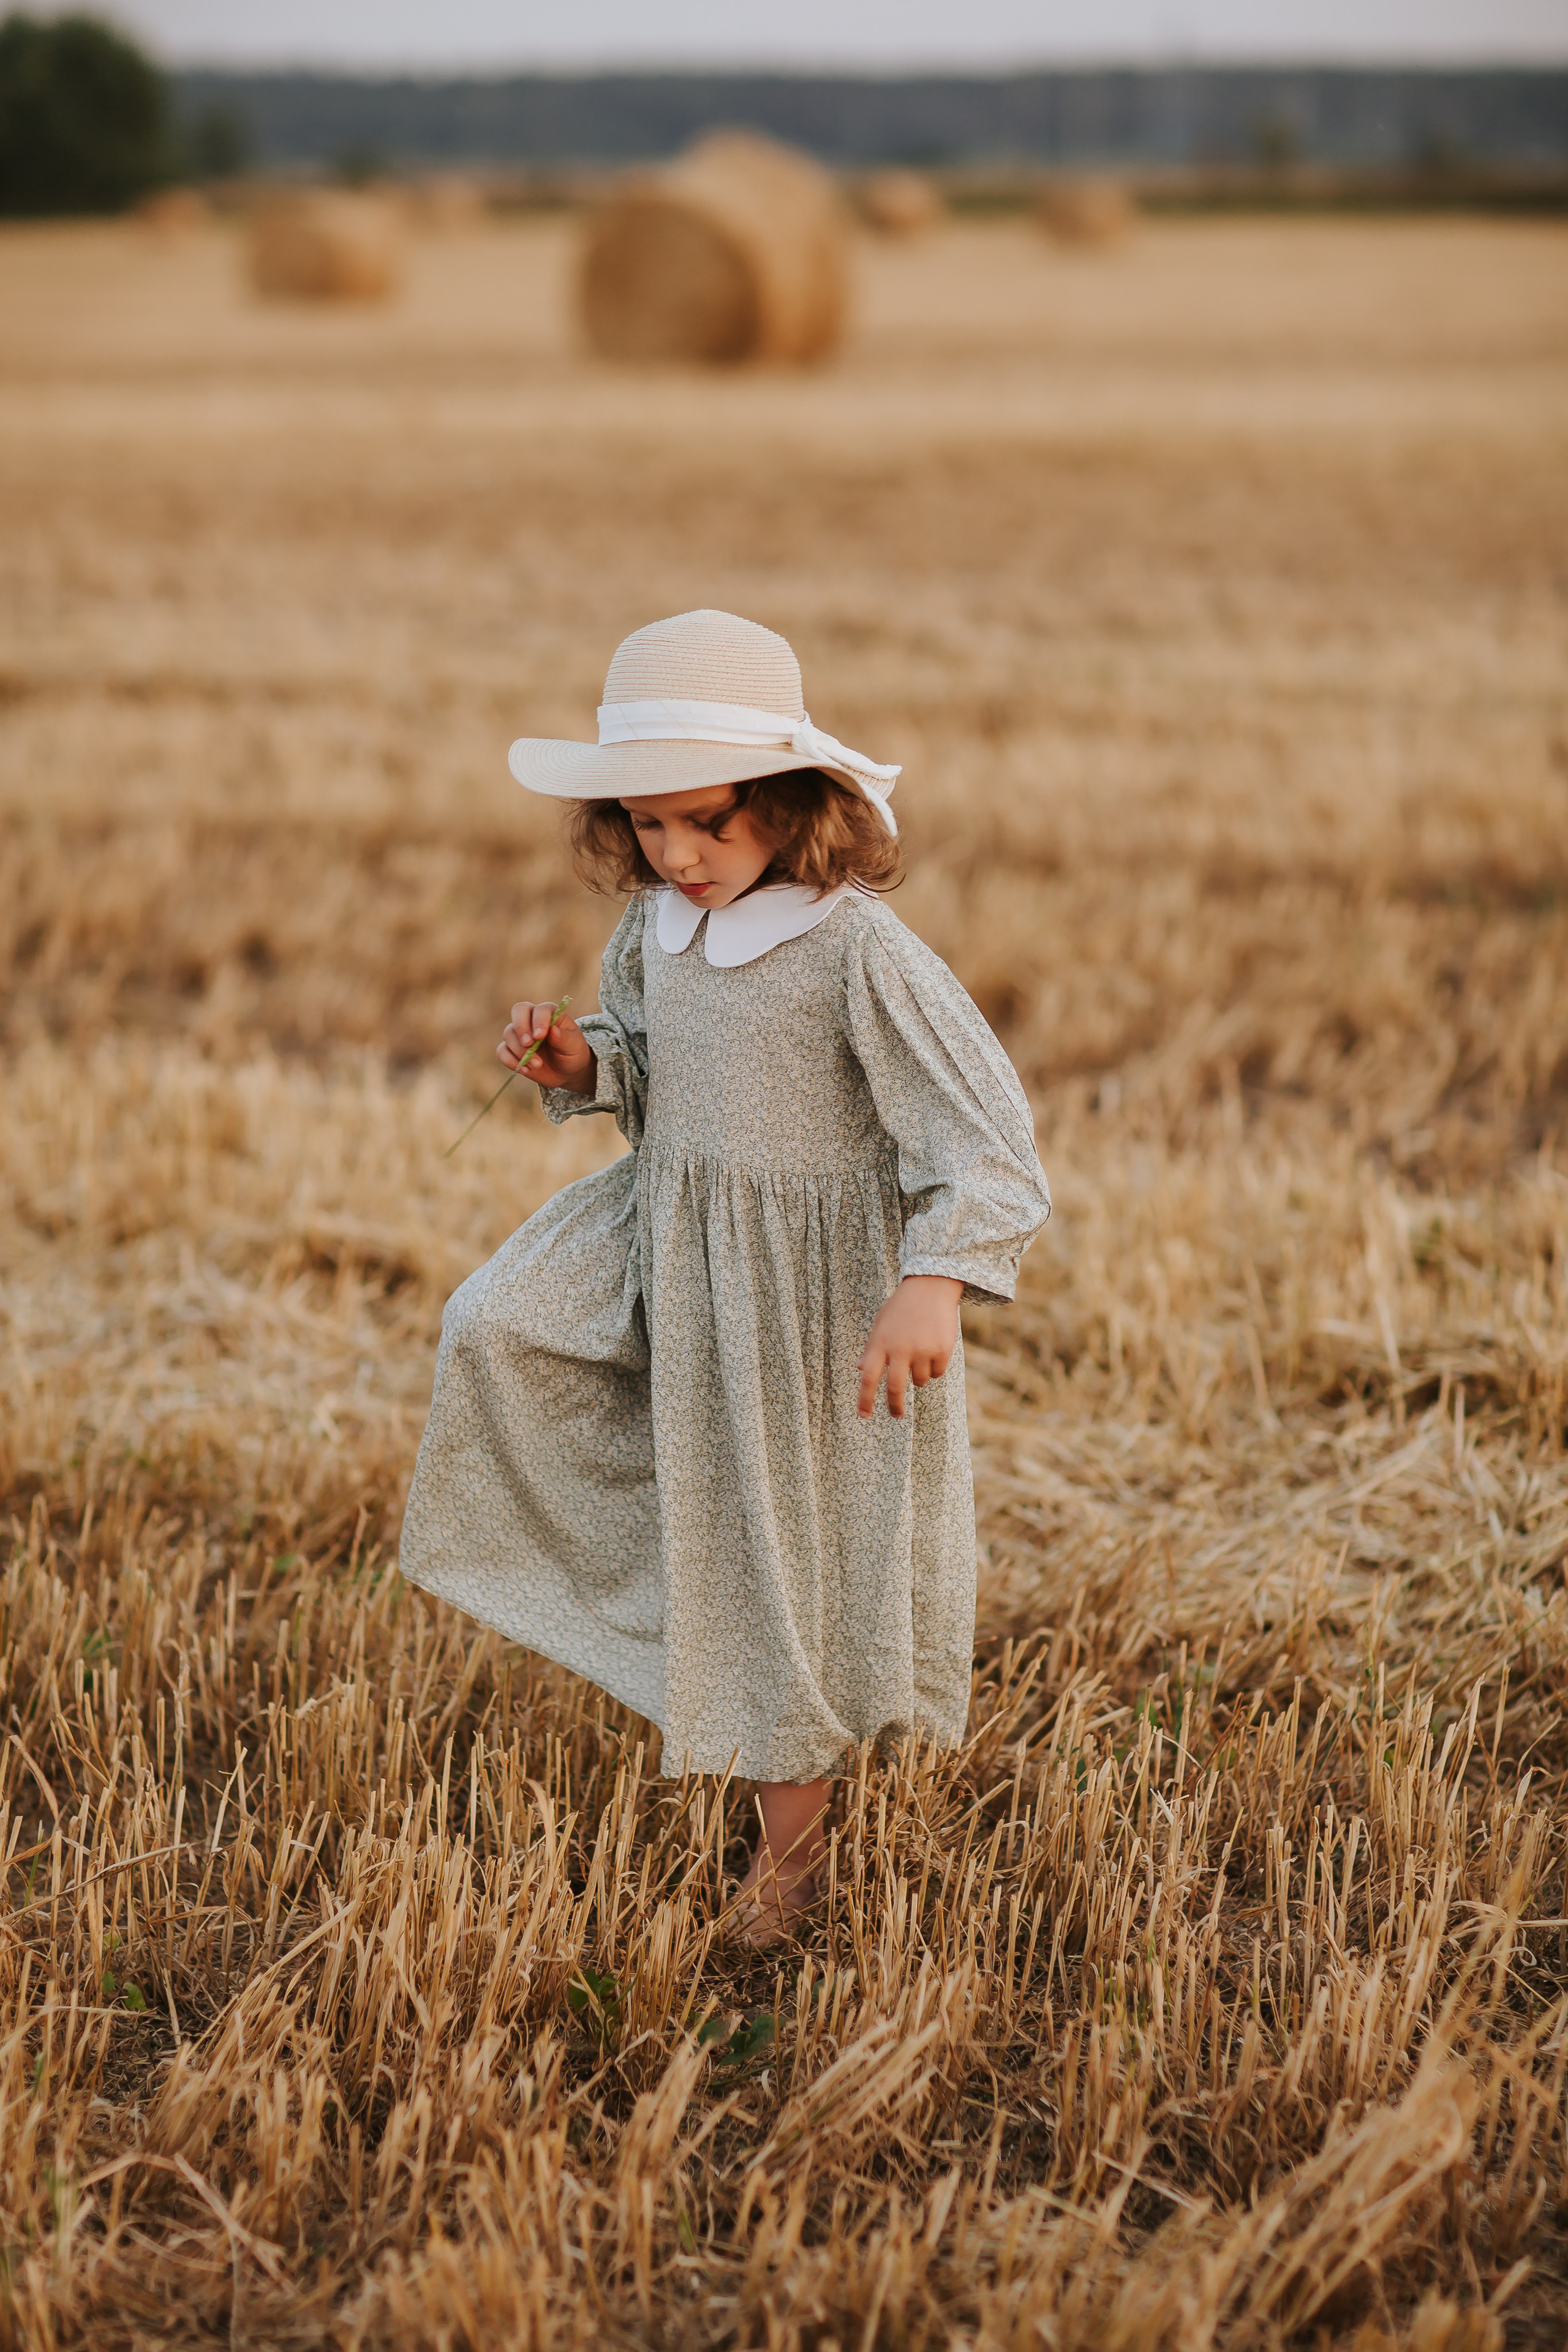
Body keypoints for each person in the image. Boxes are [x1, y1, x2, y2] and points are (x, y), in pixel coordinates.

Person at [399, 609, 1051, 1940]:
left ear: (792, 802)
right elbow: (650, 1069)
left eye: (707, 821)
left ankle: (790, 1864)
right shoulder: (653, 931)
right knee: (492, 1326)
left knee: (774, 1564)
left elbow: (982, 1138)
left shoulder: (852, 947)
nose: (677, 854)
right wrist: (583, 1066)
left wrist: (934, 1279)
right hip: (674, 1251)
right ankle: (661, 1640)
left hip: (807, 1303)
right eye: (646, 825)